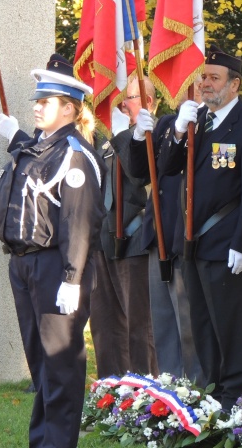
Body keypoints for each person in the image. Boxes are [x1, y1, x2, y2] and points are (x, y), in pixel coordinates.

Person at [148, 45, 242, 410]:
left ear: (235, 85)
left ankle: (237, 395)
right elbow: (168, 168)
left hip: (225, 244)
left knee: (230, 327)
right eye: (203, 77)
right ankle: (215, 392)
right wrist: (178, 131)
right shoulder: (198, 121)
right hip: (193, 243)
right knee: (201, 325)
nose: (205, 84)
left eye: (214, 78)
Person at [0, 53, 106, 448]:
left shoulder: (75, 153)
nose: (37, 107)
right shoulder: (40, 147)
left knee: (60, 367)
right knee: (41, 365)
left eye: (46, 101)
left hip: (55, 268)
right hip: (24, 265)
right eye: (37, 101)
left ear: (70, 109)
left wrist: (72, 278)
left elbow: (79, 220)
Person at [128, 80, 204, 381]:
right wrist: (137, 136)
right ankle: (171, 391)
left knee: (189, 326)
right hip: (159, 231)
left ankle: (196, 391)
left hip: (187, 236)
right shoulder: (168, 124)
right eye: (187, 82)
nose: (192, 88)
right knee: (163, 322)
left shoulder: (208, 127)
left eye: (198, 82)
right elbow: (140, 172)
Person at [89, 75, 158, 377]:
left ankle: (144, 392)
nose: (123, 104)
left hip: (135, 240)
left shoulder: (156, 137)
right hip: (105, 240)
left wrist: (129, 136)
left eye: (131, 97)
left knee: (138, 326)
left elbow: (139, 176)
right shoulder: (111, 142)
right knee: (105, 323)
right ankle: (111, 390)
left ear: (150, 102)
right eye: (125, 98)